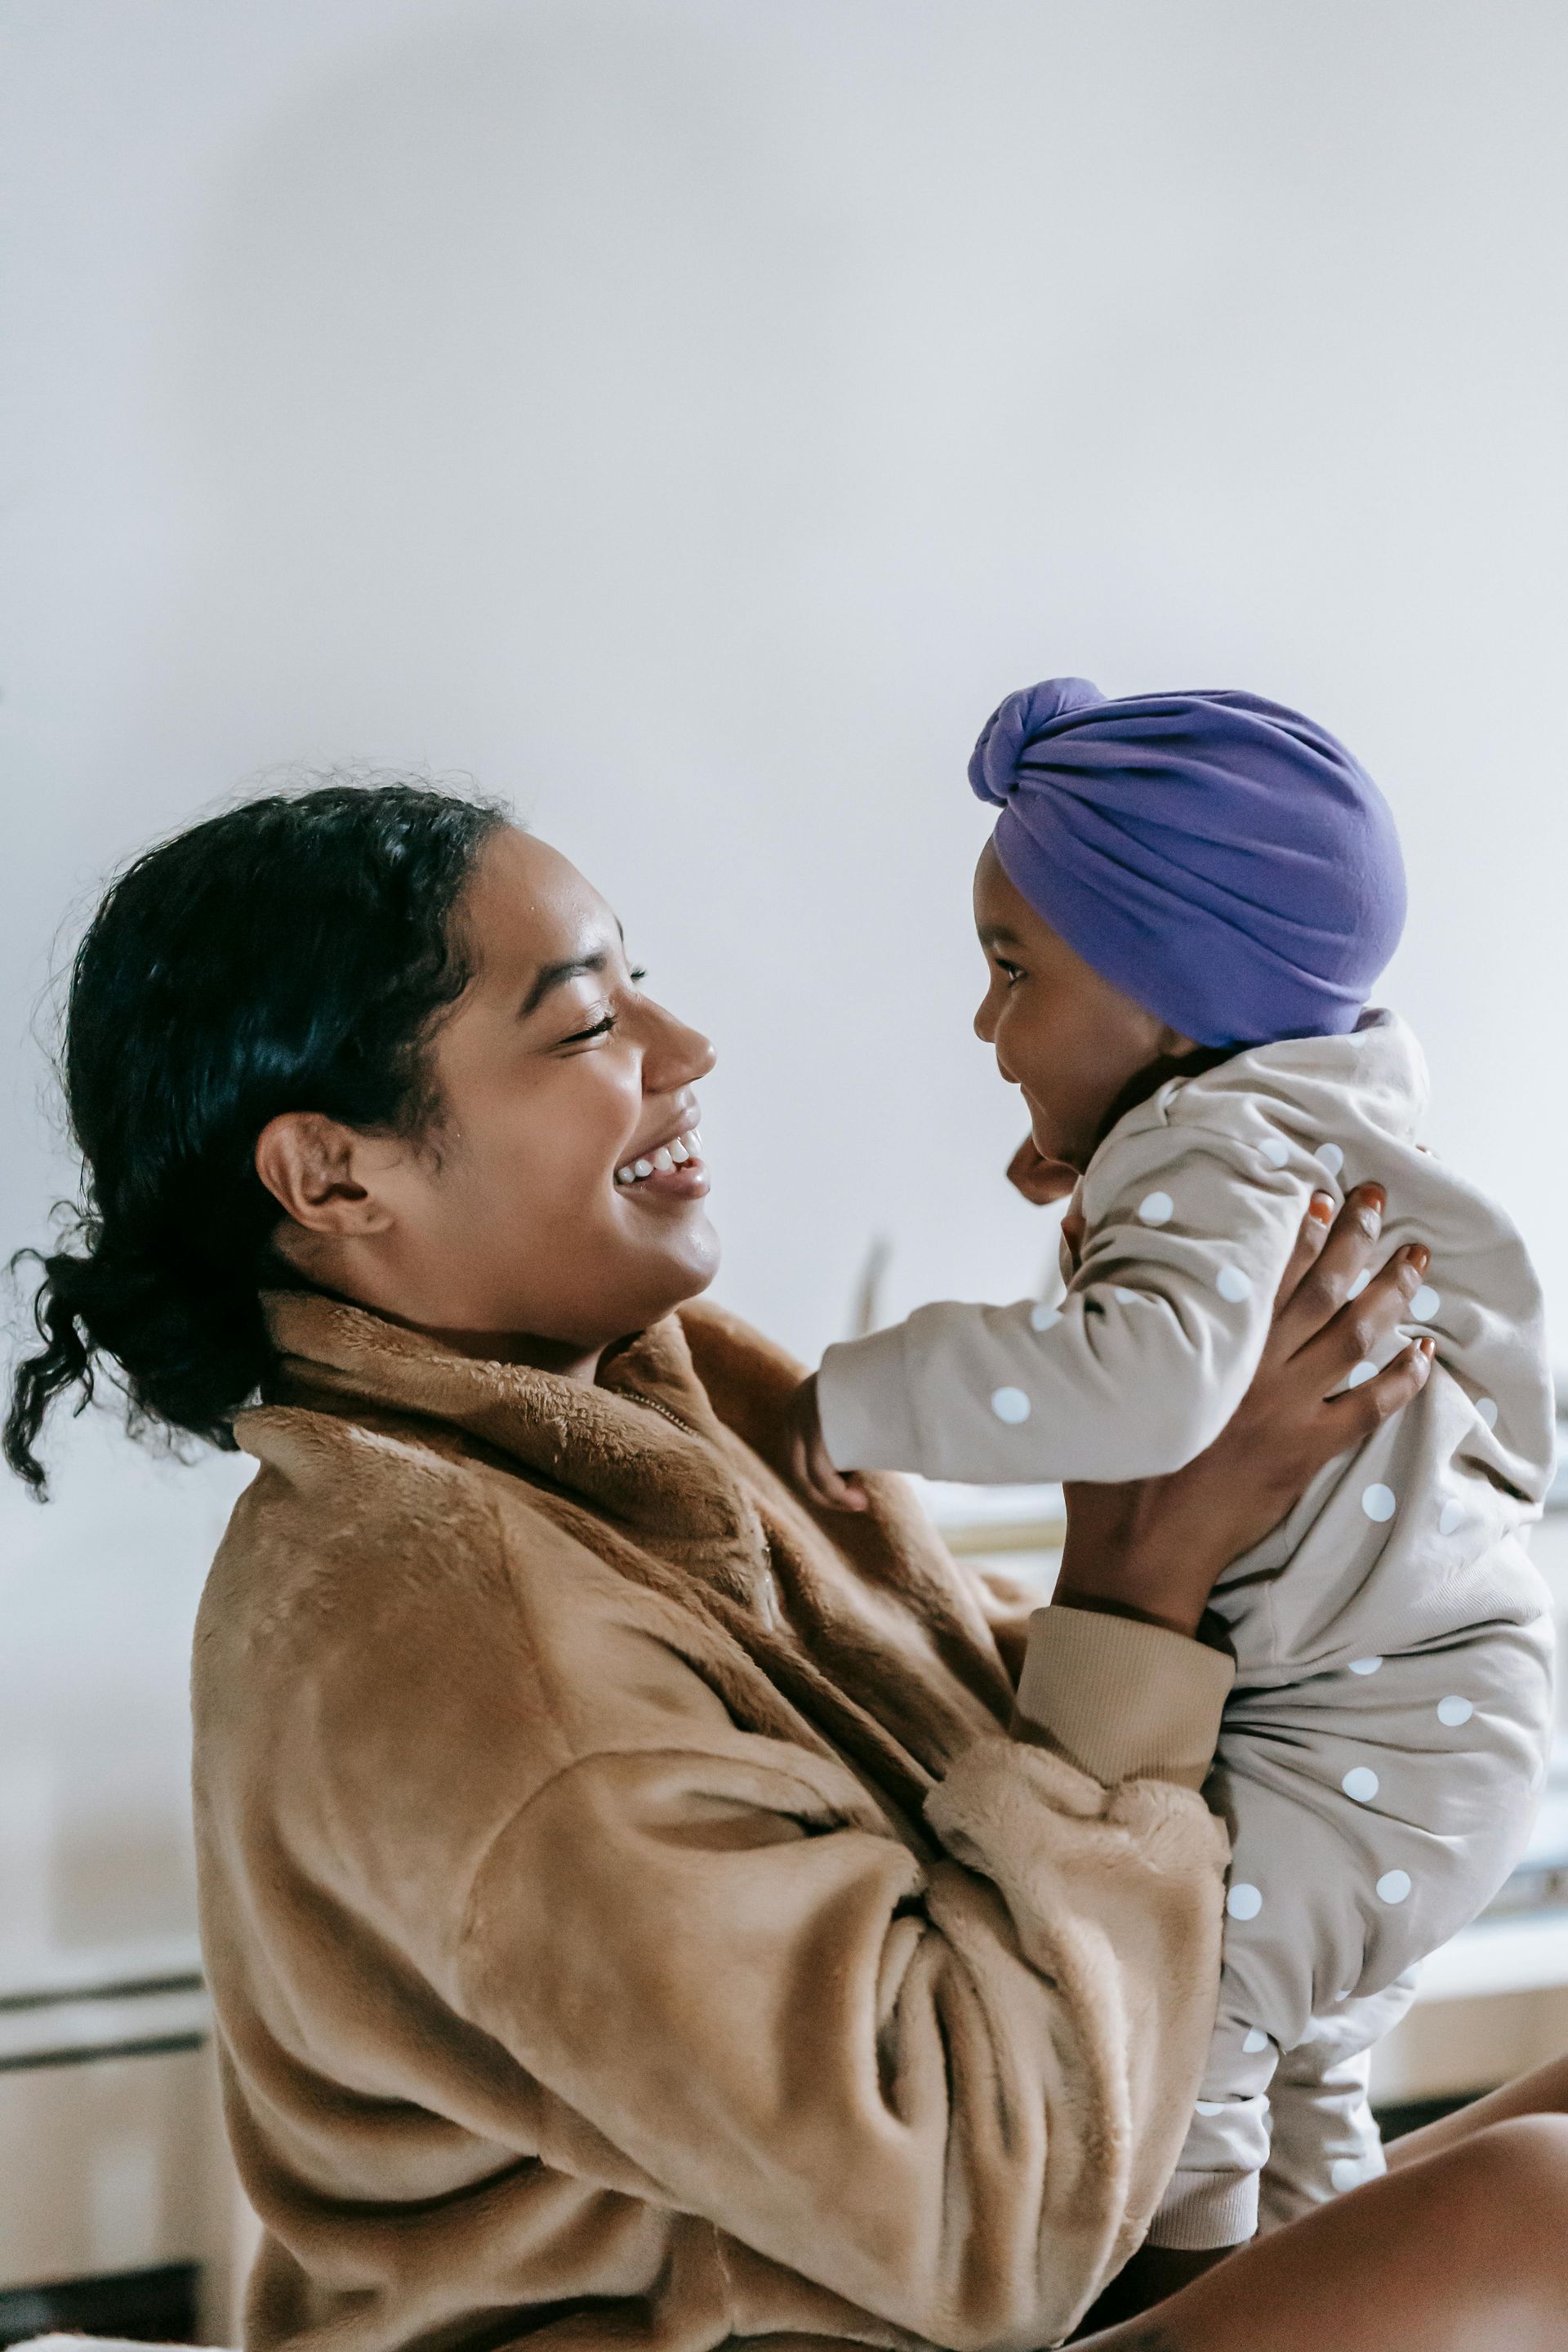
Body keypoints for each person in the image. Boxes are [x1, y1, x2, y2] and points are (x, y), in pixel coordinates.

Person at [6, 780, 1568, 2352]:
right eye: (584, 1027)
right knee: (1536, 2221)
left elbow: (960, 1737)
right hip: (950, 2267)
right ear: (335, 1178)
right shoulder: (442, 1632)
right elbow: (982, 2225)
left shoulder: (651, 1395)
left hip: (1041, 2215)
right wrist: (1138, 1574)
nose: (684, 1053)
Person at [788, 677, 1556, 2256]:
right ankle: (1299, 2280)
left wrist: (853, 1399)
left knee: (1184, 2034)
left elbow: (1145, 1392)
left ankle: (1166, 2297)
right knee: (1305, 2074)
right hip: (1429, 1727)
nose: (987, 1025)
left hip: (1367, 1727)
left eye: (1014, 971)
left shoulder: (1214, 1149)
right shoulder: (1294, 1123)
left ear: (1171, 990)